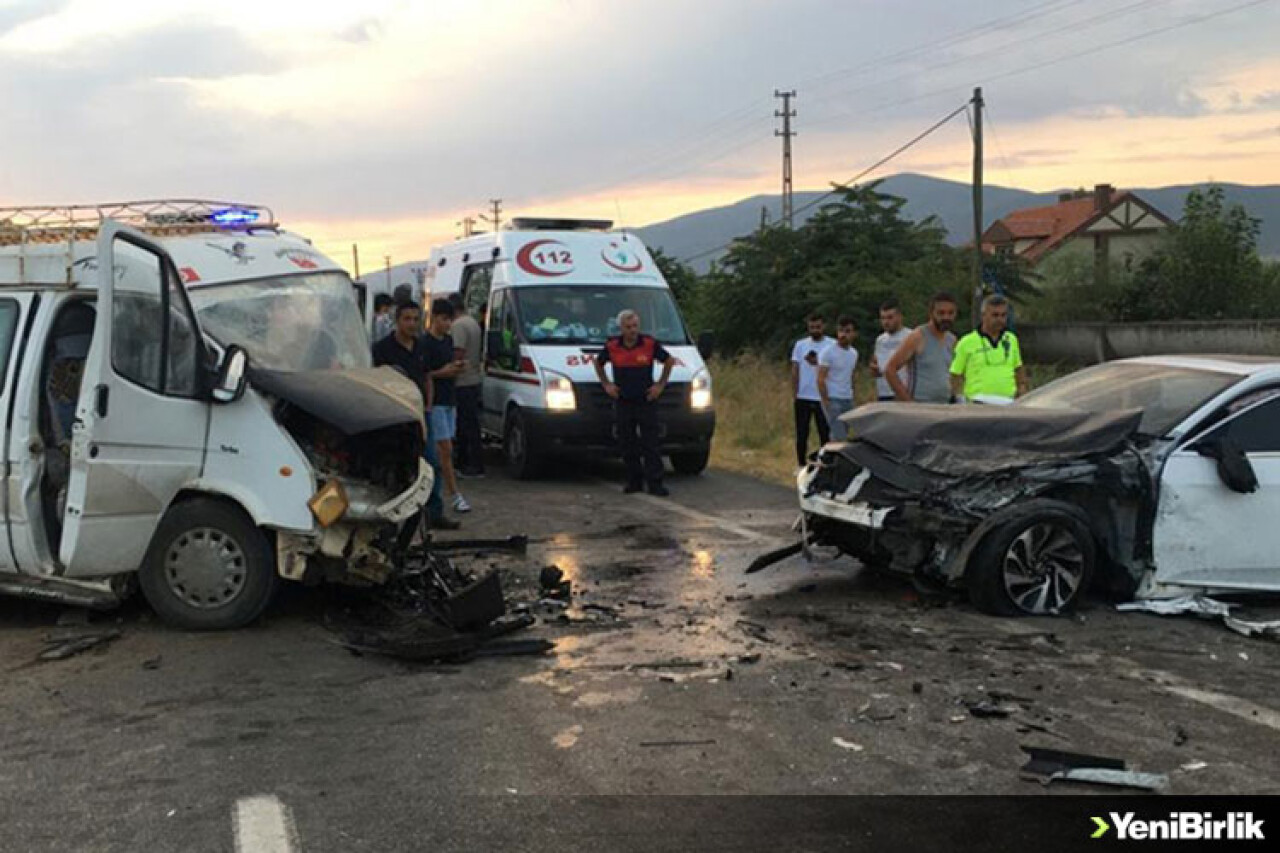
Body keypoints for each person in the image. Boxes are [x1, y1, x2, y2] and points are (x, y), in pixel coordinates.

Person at [371, 301, 458, 530]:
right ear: (397, 321)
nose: (411, 324)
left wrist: (427, 407)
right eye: (406, 319)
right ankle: (391, 517)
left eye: (415, 319)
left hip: (420, 415)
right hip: (394, 416)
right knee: (396, 466)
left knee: (432, 463)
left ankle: (434, 513)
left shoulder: (421, 348)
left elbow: (427, 376)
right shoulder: (381, 350)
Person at [594, 309, 675, 496]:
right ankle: (634, 481)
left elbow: (669, 361)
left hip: (646, 400)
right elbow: (598, 363)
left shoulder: (649, 343)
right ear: (621, 328)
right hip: (623, 401)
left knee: (651, 443)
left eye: (635, 326)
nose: (632, 330)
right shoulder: (613, 346)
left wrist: (660, 385)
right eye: (628, 327)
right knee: (627, 443)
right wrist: (607, 384)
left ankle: (655, 483)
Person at [422, 298, 471, 513]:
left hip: (450, 399)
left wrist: (456, 368)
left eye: (449, 320)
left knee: (445, 449)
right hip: (436, 402)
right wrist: (445, 372)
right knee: (444, 451)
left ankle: (441, 492)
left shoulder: (448, 341)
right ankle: (453, 494)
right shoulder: (425, 344)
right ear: (434, 318)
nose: (447, 324)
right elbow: (425, 374)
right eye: (443, 319)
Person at [950, 293, 1029, 404]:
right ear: (983, 315)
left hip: (1008, 402)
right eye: (995, 315)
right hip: (978, 403)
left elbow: (1018, 368)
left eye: (1003, 315)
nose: (1000, 319)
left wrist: (1022, 389)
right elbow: (955, 374)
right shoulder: (967, 342)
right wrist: (959, 398)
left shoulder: (1011, 339)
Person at [883, 292, 958, 404]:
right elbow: (890, 369)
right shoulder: (918, 336)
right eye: (941, 313)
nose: (946, 317)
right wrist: (908, 402)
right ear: (931, 313)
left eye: (950, 313)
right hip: (920, 405)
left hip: (944, 405)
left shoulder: (951, 339)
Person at [448, 293, 485, 478]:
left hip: (462, 381)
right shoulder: (472, 322)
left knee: (464, 426)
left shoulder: (458, 326)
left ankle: (468, 464)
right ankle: (476, 463)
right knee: (472, 425)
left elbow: (458, 352)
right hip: (474, 379)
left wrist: (448, 370)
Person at [791, 312, 833, 465]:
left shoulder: (831, 345)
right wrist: (795, 393)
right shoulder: (800, 345)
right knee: (802, 433)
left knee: (825, 433)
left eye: (818, 327)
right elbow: (795, 369)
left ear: (824, 326)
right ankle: (800, 464)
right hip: (803, 395)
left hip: (822, 396)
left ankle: (825, 464)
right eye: (812, 327)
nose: (815, 330)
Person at [818, 316, 859, 441]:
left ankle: (832, 458)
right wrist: (826, 400)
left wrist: (853, 394)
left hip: (847, 398)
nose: (843, 335)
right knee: (838, 434)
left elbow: (851, 375)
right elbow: (821, 378)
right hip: (833, 398)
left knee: (846, 433)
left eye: (847, 331)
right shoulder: (828, 352)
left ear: (854, 333)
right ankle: (832, 459)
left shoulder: (853, 353)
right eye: (841, 331)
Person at [870, 299, 912, 402]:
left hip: (903, 391)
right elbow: (876, 363)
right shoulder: (880, 340)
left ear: (899, 317)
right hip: (884, 392)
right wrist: (874, 369)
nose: (886, 322)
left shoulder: (910, 336)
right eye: (883, 318)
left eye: (890, 317)